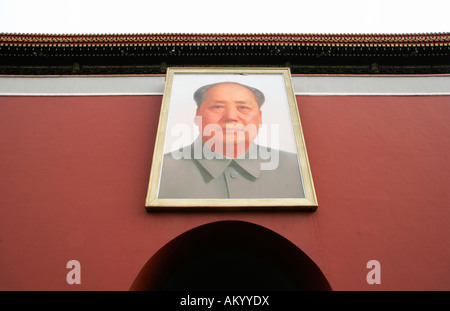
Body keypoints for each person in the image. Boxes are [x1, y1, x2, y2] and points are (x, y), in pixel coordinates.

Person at [158, 82, 305, 199]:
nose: (231, 116)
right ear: (198, 115)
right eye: (217, 107)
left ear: (260, 117)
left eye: (243, 107)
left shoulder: (295, 168)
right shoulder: (162, 170)